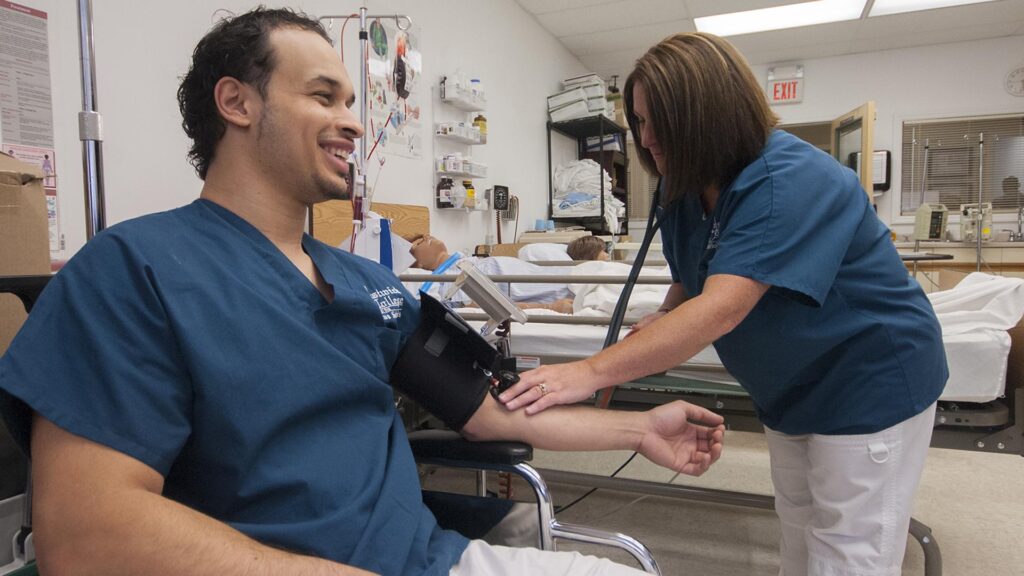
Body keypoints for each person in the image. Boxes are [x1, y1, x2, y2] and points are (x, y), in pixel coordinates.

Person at [0, 10, 726, 576]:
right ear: (237, 102)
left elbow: (487, 413)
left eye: (352, 100)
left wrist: (637, 430)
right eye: (323, 96)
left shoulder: (368, 286)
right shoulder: (132, 273)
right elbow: (86, 536)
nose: (353, 121)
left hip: (431, 559)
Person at [500, 32, 947, 576]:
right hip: (789, 386)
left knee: (850, 551)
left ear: (709, 113)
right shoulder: (684, 184)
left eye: (661, 121)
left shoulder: (790, 179)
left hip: (868, 379)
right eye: (639, 121)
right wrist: (668, 312)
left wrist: (588, 372)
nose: (647, 138)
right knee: (800, 527)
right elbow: (696, 271)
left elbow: (722, 307)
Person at [408, 233, 575, 313]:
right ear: (418, 264)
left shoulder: (465, 261)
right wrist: (550, 307)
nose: (426, 236)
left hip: (560, 277)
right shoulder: (445, 283)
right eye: (419, 242)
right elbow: (492, 305)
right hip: (558, 290)